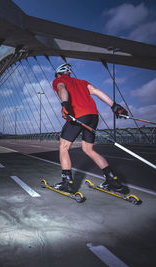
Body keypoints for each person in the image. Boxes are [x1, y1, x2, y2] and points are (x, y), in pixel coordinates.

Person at [52, 62, 128, 193]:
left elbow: (62, 89)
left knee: (63, 147)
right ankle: (112, 180)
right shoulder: (82, 82)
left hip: (78, 115)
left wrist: (65, 104)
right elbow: (97, 91)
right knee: (88, 149)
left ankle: (67, 183)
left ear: (58, 74)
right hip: (93, 116)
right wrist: (114, 106)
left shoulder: (58, 80)